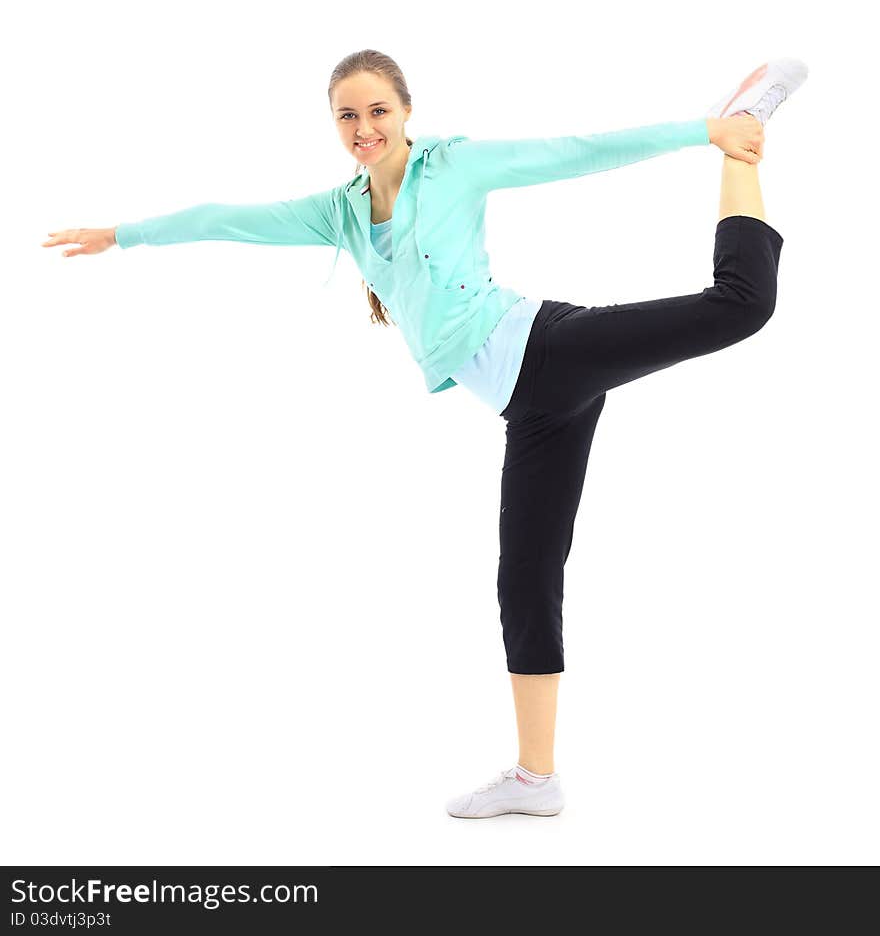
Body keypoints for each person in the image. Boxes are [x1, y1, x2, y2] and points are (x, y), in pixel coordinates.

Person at [41, 51, 809, 820]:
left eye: (378, 111)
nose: (364, 127)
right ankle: (536, 778)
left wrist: (705, 132)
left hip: (547, 351)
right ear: (335, 126)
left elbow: (577, 152)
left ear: (406, 112)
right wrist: (124, 234)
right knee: (525, 581)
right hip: (534, 408)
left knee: (740, 304)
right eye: (348, 115)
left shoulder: (454, 169)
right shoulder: (339, 214)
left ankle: (744, 131)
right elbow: (226, 218)